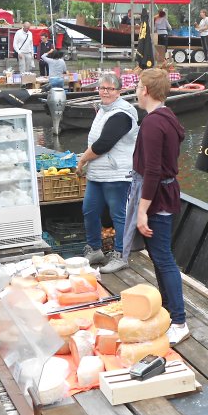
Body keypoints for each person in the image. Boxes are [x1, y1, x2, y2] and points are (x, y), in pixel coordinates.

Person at [124, 68, 188, 345]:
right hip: (166, 192)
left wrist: (141, 211)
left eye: (138, 86)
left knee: (163, 258)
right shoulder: (168, 116)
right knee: (160, 256)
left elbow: (151, 171)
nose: (136, 90)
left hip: (157, 198)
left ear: (146, 91)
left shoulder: (151, 123)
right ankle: (168, 313)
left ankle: (179, 320)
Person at [77, 73, 139, 274]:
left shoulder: (122, 113)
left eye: (110, 89)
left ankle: (121, 254)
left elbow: (103, 144)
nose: (105, 91)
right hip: (98, 173)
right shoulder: (103, 110)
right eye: (102, 88)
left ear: (119, 91)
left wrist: (83, 159)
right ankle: (95, 249)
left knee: (118, 215)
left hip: (116, 173)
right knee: (89, 210)